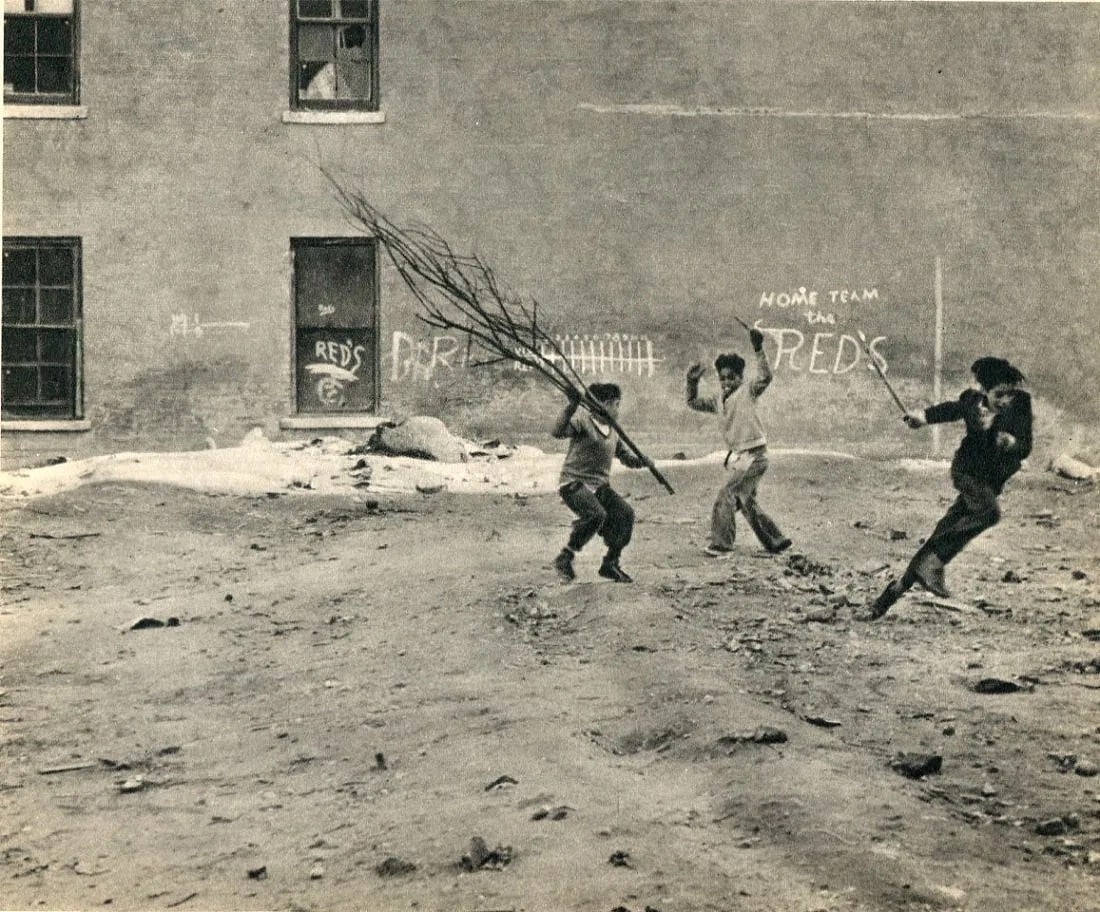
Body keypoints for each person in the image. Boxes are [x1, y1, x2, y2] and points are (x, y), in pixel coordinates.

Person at [868, 356, 1032, 619]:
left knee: (944, 530)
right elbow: (949, 410)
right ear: (984, 391)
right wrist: (921, 417)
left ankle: (891, 594)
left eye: (1009, 394)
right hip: (967, 473)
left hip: (992, 481)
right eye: (999, 394)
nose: (1005, 400)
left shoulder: (1021, 405)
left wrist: (1012, 443)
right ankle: (934, 562)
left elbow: (1026, 446)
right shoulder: (971, 402)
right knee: (989, 513)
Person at [686, 327, 791, 558]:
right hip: (742, 458)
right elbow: (692, 402)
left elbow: (766, 377)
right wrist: (691, 381)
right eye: (722, 378)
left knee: (727, 494)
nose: (726, 382)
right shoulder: (716, 400)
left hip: (755, 455)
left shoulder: (748, 391)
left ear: (740, 378)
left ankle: (722, 545)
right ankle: (776, 540)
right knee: (745, 500)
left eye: (731, 377)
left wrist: (758, 348)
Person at [550, 383, 651, 583]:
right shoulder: (583, 422)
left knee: (625, 514)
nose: (618, 410)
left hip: (600, 488)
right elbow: (557, 431)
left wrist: (643, 461)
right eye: (617, 405)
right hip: (574, 484)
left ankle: (610, 563)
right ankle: (566, 556)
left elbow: (626, 458)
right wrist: (571, 406)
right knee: (597, 514)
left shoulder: (613, 431)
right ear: (605, 404)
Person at [302, 24, 371, 101]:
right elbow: (338, 103)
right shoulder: (330, 73)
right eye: (354, 46)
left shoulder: (348, 72)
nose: (360, 53)